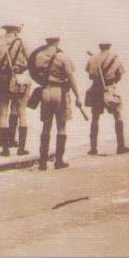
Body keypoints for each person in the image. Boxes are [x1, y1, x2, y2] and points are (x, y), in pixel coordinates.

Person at [29, 36, 82, 170]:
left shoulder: (39, 56)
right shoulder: (62, 56)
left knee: (46, 126)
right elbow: (71, 78)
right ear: (57, 41)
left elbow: (34, 73)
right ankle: (59, 161)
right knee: (61, 127)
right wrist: (78, 97)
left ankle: (42, 162)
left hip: (45, 91)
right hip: (60, 92)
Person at [0, 24, 30, 157]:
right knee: (21, 112)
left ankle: (5, 149)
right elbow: (31, 61)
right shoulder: (22, 42)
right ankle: (21, 148)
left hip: (2, 81)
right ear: (17, 30)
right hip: (18, 79)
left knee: (3, 112)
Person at [85, 42, 129, 155]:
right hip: (110, 88)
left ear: (99, 46)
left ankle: (93, 148)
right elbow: (119, 76)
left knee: (95, 118)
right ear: (109, 46)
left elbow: (90, 75)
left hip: (96, 89)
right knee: (117, 115)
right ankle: (121, 146)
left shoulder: (92, 59)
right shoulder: (115, 59)